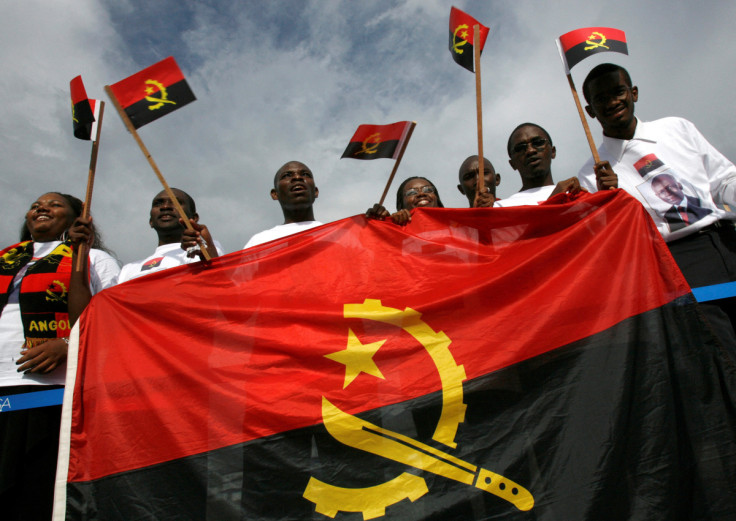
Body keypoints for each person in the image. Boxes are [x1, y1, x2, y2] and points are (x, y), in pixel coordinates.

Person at [577, 62, 736, 347]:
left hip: (727, 239)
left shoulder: (677, 128)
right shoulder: (592, 175)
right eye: (601, 99)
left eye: (618, 91)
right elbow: (610, 244)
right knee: (723, 351)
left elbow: (723, 180)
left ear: (633, 93)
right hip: (683, 261)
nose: (613, 102)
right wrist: (609, 202)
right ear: (589, 111)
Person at [0, 192, 119, 521]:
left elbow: (109, 317)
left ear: (75, 218)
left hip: (46, 391)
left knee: (33, 492)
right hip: (0, 389)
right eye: (36, 204)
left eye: (53, 205)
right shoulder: (6, 259)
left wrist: (68, 343)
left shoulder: (93, 259)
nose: (41, 208)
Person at [118, 188, 223, 284]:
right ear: (151, 221)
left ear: (194, 218)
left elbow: (219, 284)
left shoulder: (207, 249)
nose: (165, 207)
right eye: (158, 204)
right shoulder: (128, 271)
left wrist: (208, 257)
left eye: (176, 202)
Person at [496, 123, 585, 207]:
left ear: (553, 152)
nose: (530, 151)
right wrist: (555, 199)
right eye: (520, 148)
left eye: (538, 142)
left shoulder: (574, 195)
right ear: (512, 164)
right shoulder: (502, 207)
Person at [243, 161, 323, 248]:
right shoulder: (258, 242)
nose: (297, 177)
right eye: (287, 175)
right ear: (275, 194)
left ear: (316, 191)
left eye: (305, 174)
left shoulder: (337, 236)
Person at [366, 176, 444, 225]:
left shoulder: (454, 224)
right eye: (412, 192)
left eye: (428, 190)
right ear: (401, 205)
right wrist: (382, 225)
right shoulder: (397, 232)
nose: (421, 194)